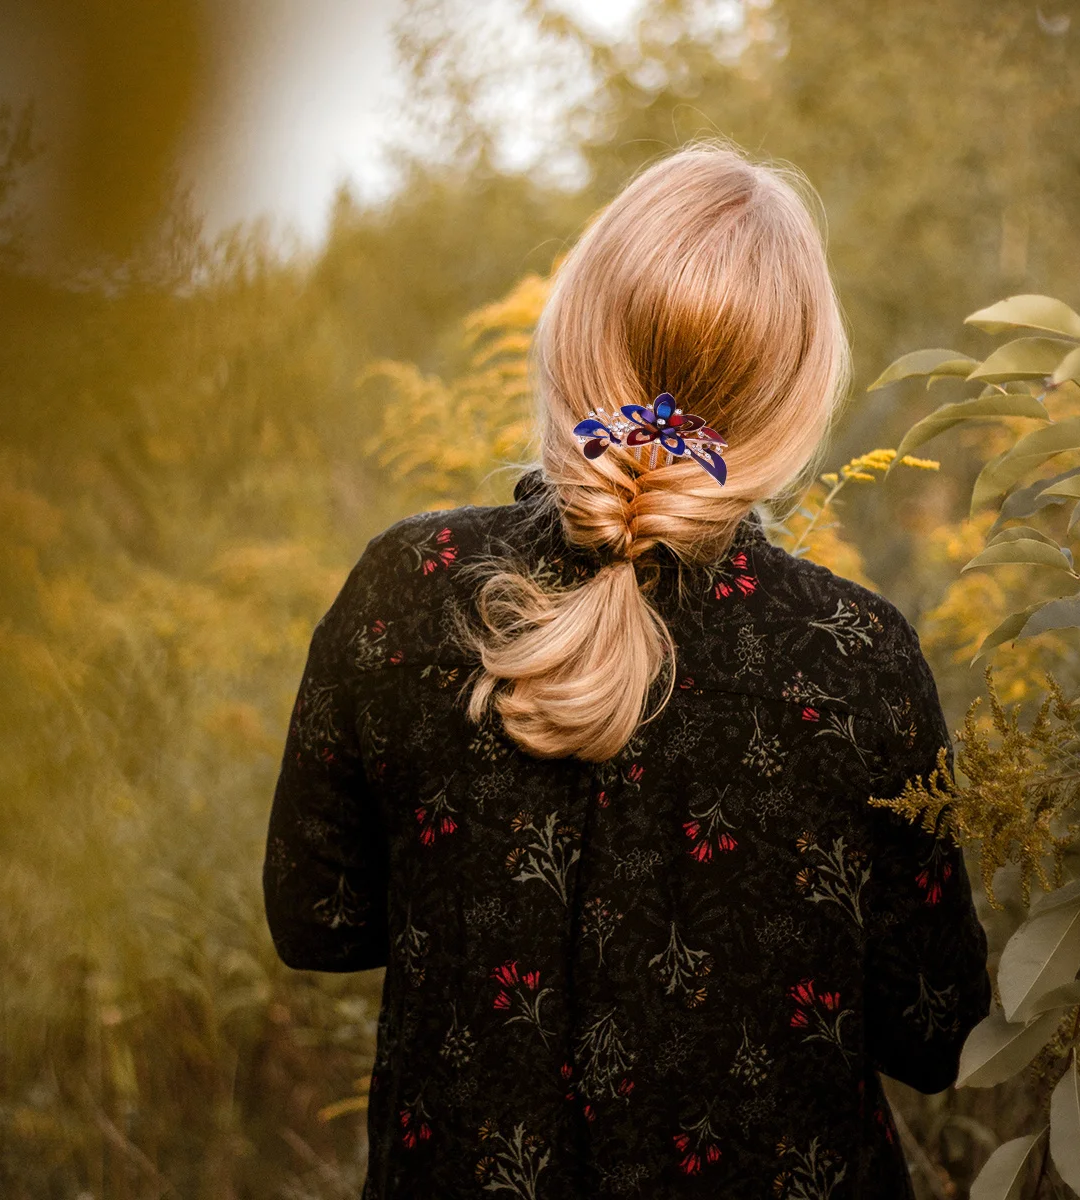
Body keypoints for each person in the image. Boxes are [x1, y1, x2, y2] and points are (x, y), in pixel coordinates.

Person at [262, 140, 991, 1199]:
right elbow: (937, 1028)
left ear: (572, 337)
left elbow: (319, 922)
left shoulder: (407, 590)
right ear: (787, 398)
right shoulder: (857, 656)